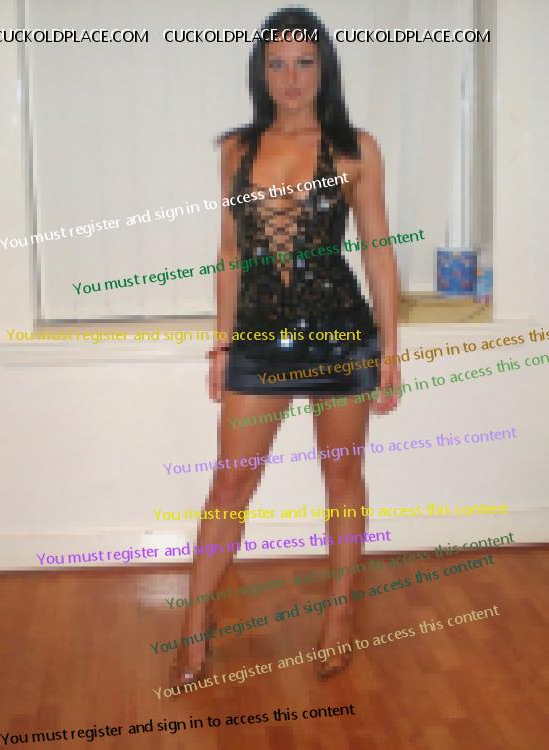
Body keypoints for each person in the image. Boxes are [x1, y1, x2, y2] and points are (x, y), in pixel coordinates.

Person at [171, 7, 400, 685]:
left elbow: (379, 252)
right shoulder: (236, 150)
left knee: (341, 477)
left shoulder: (355, 148)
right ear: (260, 72)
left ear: (324, 68)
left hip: (339, 333)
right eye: (277, 64)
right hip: (260, 338)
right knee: (230, 482)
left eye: (304, 62)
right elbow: (229, 253)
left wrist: (390, 351)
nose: (291, 77)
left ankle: (339, 616)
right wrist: (221, 347)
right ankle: (194, 630)